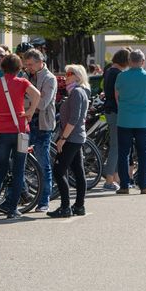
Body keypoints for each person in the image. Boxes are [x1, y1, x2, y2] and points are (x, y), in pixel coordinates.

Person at [0, 53, 40, 218]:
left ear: (3, 68)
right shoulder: (23, 82)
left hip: (3, 131)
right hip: (21, 131)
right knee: (19, 170)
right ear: (19, 69)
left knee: (1, 170)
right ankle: (12, 209)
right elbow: (37, 94)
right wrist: (30, 112)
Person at [48, 65, 91, 218]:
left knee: (59, 171)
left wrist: (62, 139)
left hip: (72, 137)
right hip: (76, 137)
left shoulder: (77, 92)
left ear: (78, 76)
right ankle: (79, 206)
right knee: (78, 171)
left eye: (69, 74)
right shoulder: (77, 92)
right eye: (66, 73)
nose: (66, 77)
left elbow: (74, 119)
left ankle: (65, 207)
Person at [114, 49, 146, 194]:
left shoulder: (121, 76)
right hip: (143, 120)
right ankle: (144, 185)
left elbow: (117, 96)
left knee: (124, 153)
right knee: (143, 153)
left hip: (125, 119)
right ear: (142, 62)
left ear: (129, 61)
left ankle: (124, 185)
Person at [22, 49, 57, 210]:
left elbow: (42, 104)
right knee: (18, 159)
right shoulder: (26, 76)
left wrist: (29, 99)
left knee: (43, 164)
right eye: (26, 64)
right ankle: (24, 195)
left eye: (30, 64)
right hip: (26, 123)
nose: (28, 67)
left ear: (40, 62)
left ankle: (44, 201)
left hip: (42, 126)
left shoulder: (49, 78)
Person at [100, 49, 128, 190]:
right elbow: (120, 95)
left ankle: (115, 178)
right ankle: (109, 180)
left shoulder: (109, 71)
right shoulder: (119, 74)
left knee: (116, 145)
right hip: (117, 111)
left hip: (109, 110)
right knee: (116, 147)